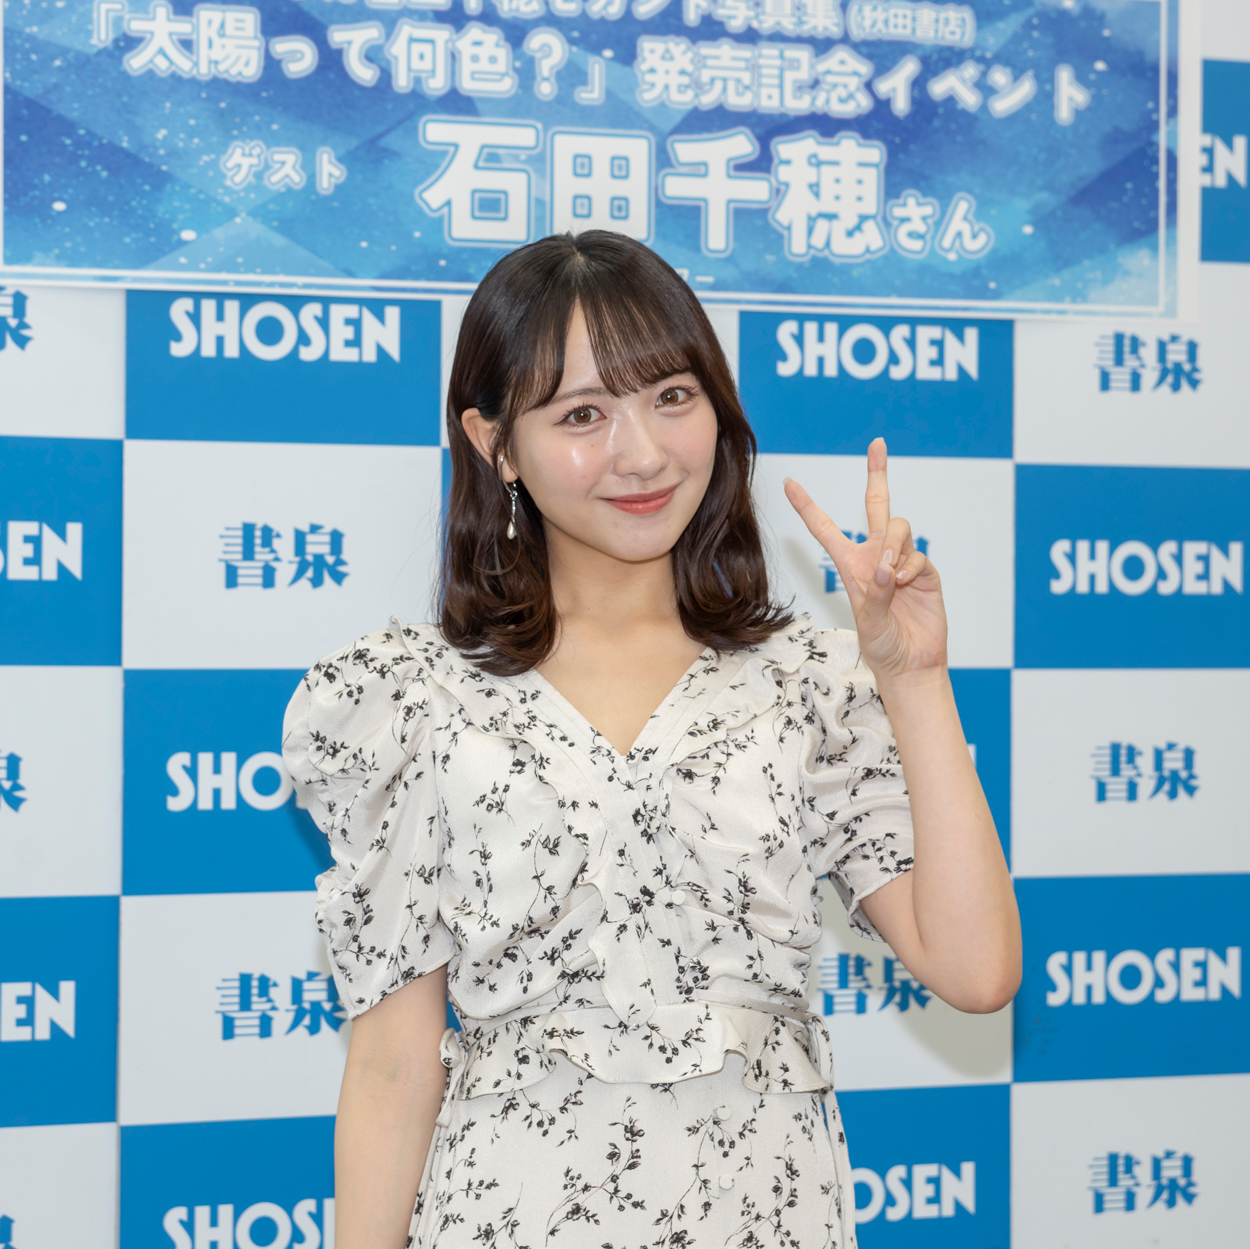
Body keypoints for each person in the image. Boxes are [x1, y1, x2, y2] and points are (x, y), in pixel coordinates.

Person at [282, 230, 1021, 1249]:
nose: (641, 452)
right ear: (494, 444)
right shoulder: (415, 699)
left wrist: (914, 678)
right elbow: (392, 1064)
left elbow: (977, 972)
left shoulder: (808, 686)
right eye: (582, 414)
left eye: (672, 396)